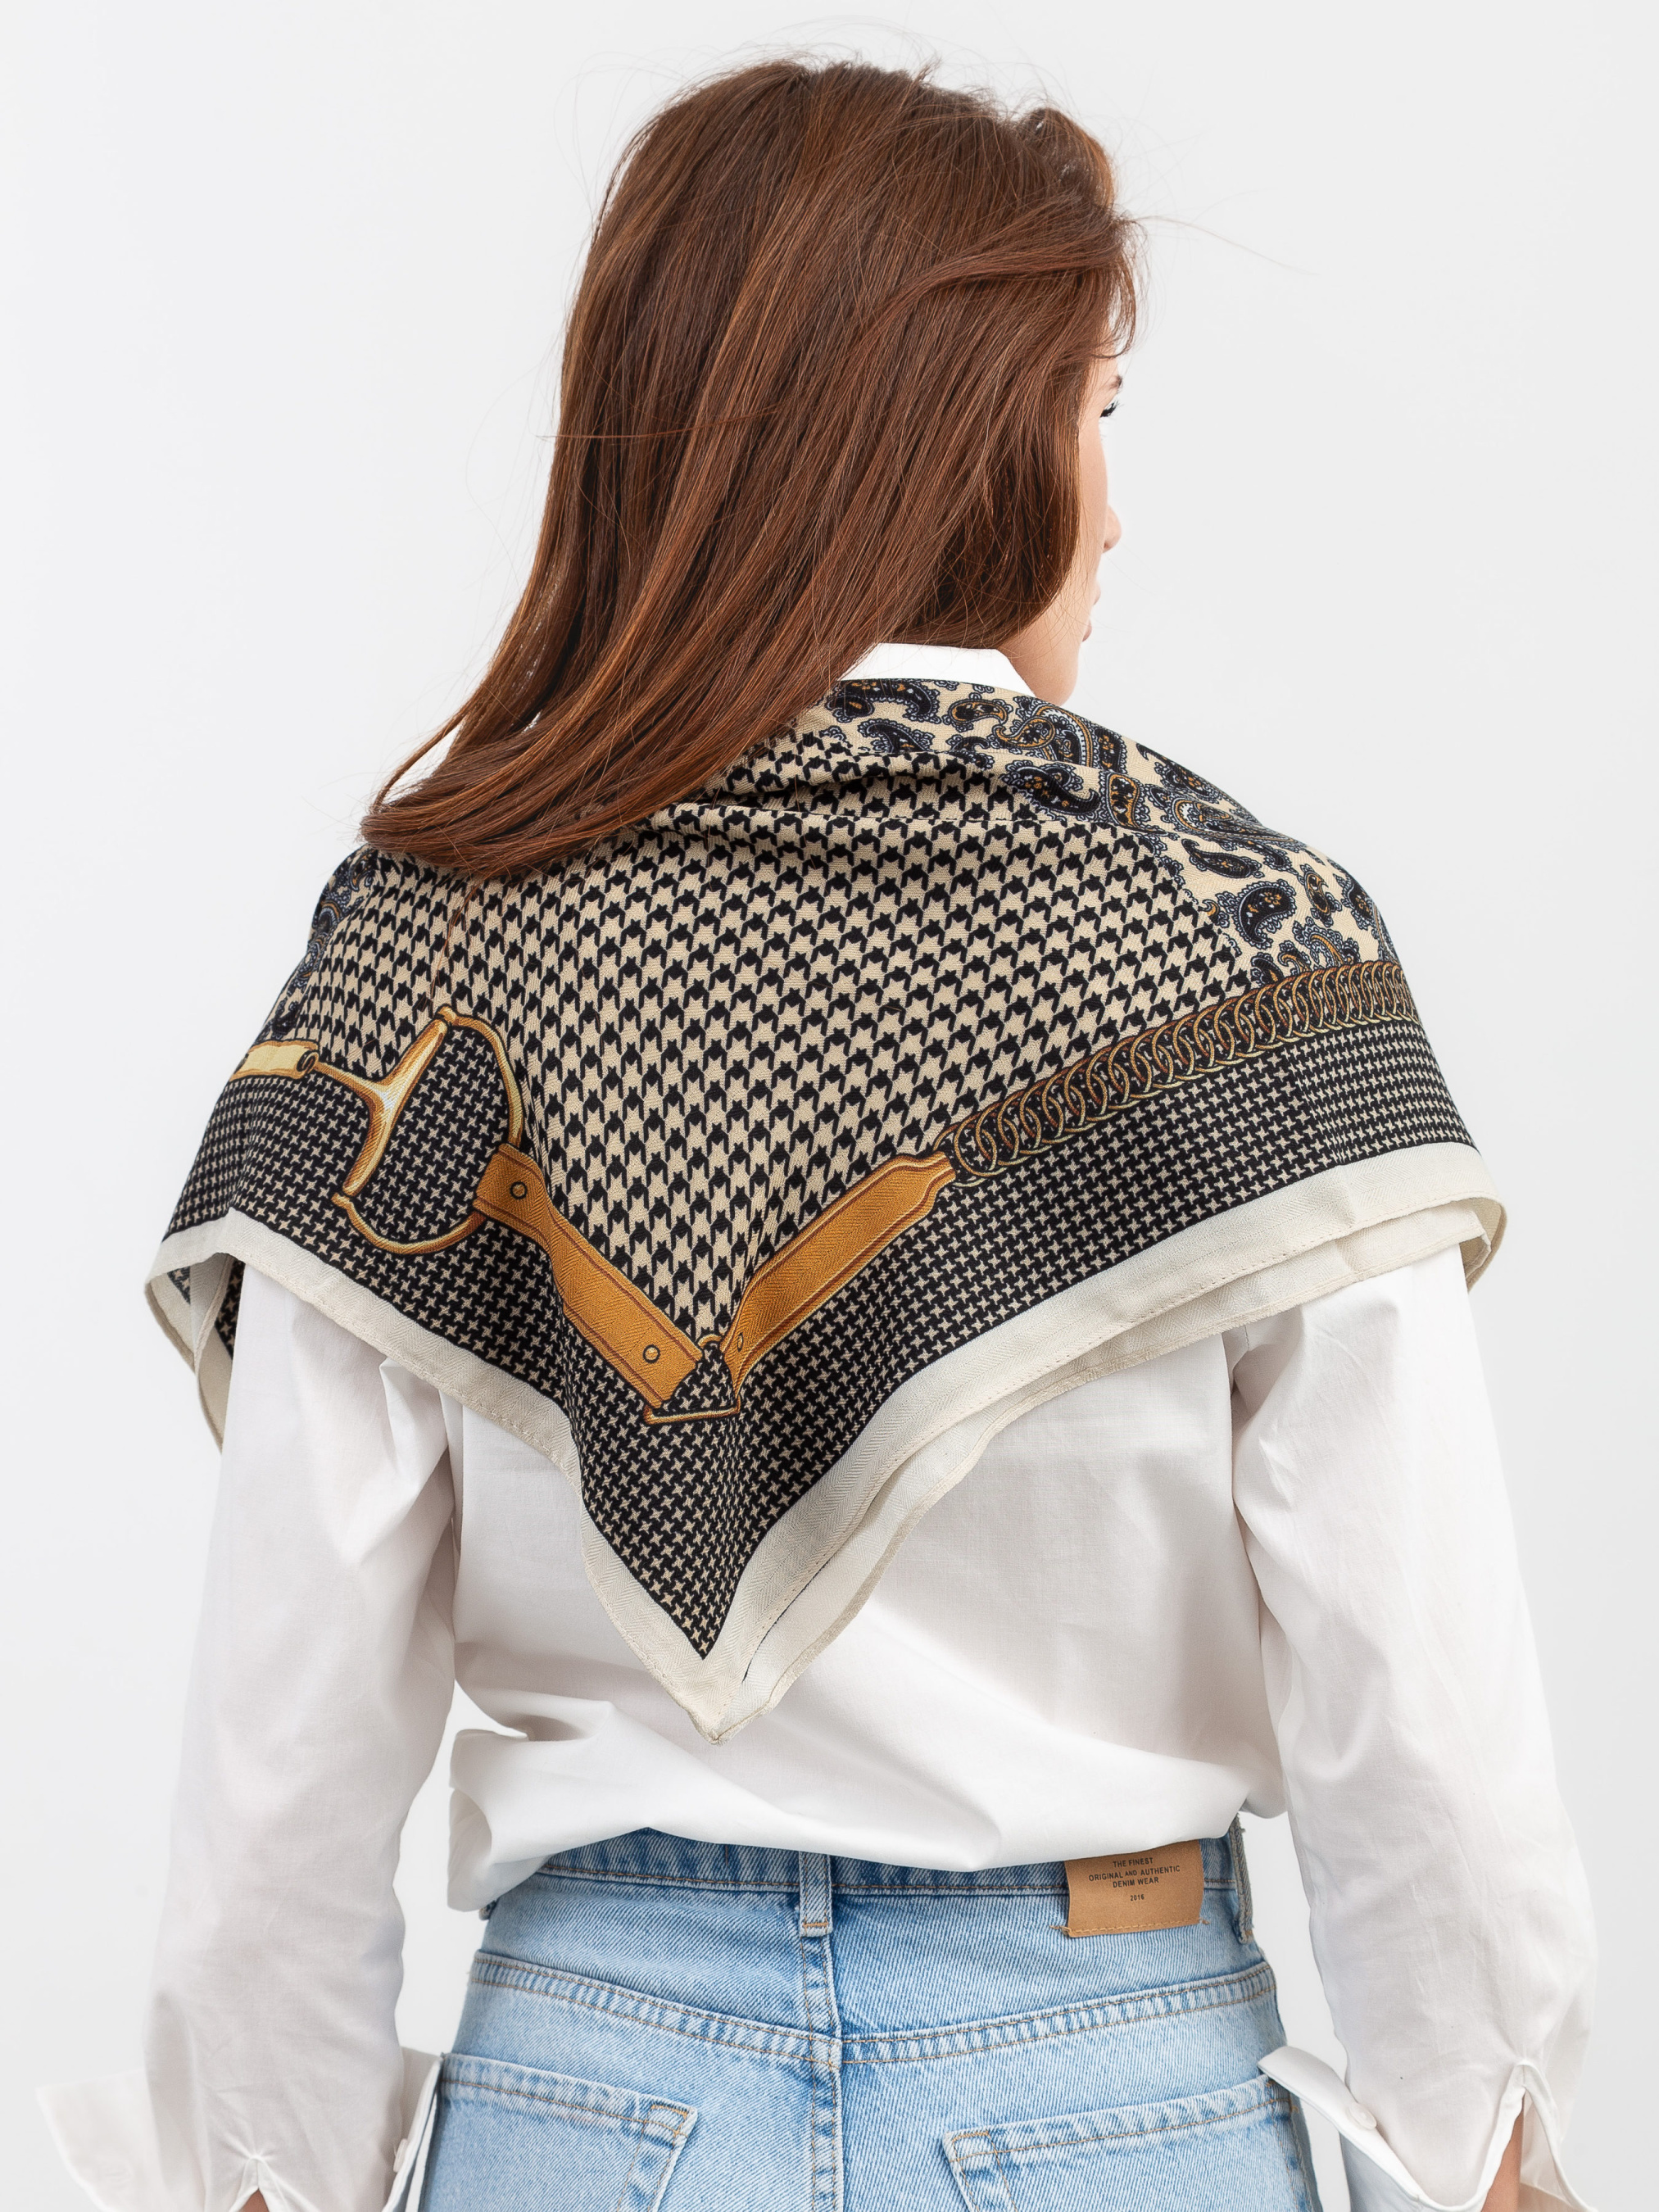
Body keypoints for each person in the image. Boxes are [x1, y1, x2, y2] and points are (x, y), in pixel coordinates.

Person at [42, 56, 1593, 2212]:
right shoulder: (1243, 952)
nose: (1115, 510)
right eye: (1096, 413)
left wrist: (260, 2169)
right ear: (956, 439)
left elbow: (285, 1747)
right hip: (1108, 2087)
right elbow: (1412, 1696)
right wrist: (1487, 2136)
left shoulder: (428, 960)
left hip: (589, 2096)